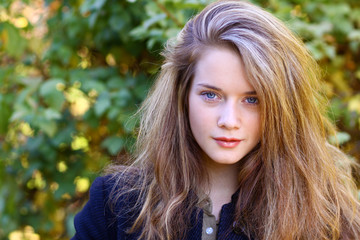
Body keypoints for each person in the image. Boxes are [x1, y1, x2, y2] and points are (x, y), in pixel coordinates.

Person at [71, 0, 360, 239]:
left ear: (283, 106)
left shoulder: (327, 213)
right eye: (211, 95)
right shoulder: (116, 204)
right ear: (182, 95)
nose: (229, 120)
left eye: (252, 99)